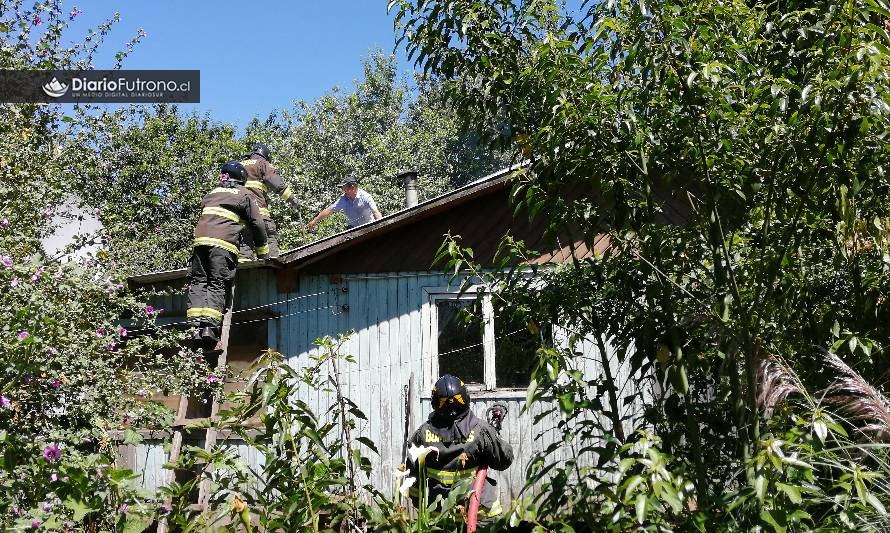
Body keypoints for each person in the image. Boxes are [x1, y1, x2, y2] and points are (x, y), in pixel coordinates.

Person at [406, 374, 513, 519]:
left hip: (440, 518)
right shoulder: (480, 431)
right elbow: (503, 461)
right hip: (480, 515)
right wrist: (494, 437)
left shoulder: (422, 435)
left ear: (435, 402)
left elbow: (413, 479)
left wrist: (420, 504)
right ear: (465, 398)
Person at [187, 161, 269, 348]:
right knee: (217, 283)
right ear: (241, 178)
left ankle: (194, 328)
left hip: (199, 244)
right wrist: (263, 253)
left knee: (199, 281)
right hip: (222, 246)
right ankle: (209, 329)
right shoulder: (244, 194)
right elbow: (257, 224)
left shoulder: (212, 194)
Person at [239, 142, 301, 260]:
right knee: (269, 241)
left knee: (244, 250)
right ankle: (272, 269)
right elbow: (278, 185)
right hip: (260, 215)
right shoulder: (262, 164)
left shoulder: (238, 166)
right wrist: (293, 200)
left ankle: (244, 275)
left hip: (241, 218)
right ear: (265, 156)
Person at [306, 176, 382, 231]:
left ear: (352, 188)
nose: (343, 190)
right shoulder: (343, 198)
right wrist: (315, 221)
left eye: (344, 188)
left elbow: (376, 212)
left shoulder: (366, 197)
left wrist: (382, 225)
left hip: (368, 227)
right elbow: (330, 210)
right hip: (352, 228)